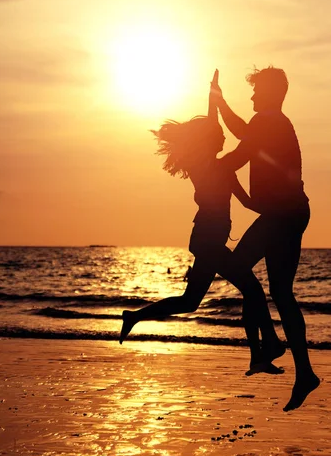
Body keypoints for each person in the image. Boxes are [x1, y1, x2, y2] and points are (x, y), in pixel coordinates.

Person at [120, 74, 285, 376]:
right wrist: (212, 100)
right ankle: (266, 347)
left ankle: (134, 316)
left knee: (190, 301)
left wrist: (214, 97)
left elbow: (249, 203)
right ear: (209, 140)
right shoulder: (206, 167)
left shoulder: (220, 167)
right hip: (207, 241)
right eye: (219, 135)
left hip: (208, 241)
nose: (224, 137)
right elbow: (212, 129)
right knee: (253, 289)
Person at [212, 66, 320, 412]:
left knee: (240, 268)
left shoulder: (271, 121)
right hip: (286, 213)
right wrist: (221, 103)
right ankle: (299, 369)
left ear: (271, 93)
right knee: (279, 292)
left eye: (257, 91)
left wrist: (206, 164)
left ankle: (269, 347)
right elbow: (244, 135)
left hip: (283, 215)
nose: (253, 96)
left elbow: (239, 152)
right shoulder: (269, 123)